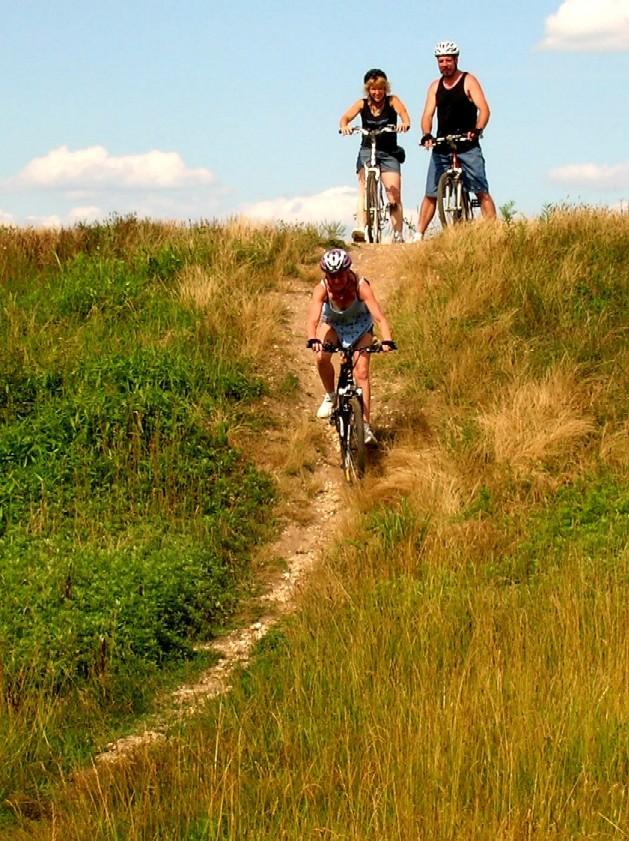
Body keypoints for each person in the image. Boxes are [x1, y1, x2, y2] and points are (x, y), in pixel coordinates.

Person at [306, 248, 395, 445]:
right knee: (321, 357)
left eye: (340, 275)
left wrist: (387, 340)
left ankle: (365, 426)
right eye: (331, 276)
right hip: (334, 325)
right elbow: (313, 319)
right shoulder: (321, 289)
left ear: (348, 271)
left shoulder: (361, 286)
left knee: (361, 372)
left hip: (360, 327)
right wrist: (313, 339)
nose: (336, 281)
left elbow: (379, 317)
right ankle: (331, 396)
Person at [416, 40, 496, 239]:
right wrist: (427, 134)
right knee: (431, 193)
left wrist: (477, 130)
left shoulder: (468, 80)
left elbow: (484, 109)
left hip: (467, 144)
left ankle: (494, 233)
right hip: (443, 143)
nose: (444, 64)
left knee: (480, 190)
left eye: (448, 60)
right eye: (441, 61)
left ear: (456, 60)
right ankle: (418, 235)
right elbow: (427, 114)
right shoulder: (435, 86)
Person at [340, 68, 411, 243]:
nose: (377, 92)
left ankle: (397, 233)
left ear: (385, 88)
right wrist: (345, 126)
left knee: (393, 195)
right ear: (368, 89)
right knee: (363, 189)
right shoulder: (361, 104)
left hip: (388, 151)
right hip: (367, 149)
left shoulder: (392, 101)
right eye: (373, 89)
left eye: (380, 88)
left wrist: (404, 124)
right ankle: (361, 228)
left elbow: (404, 115)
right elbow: (345, 118)